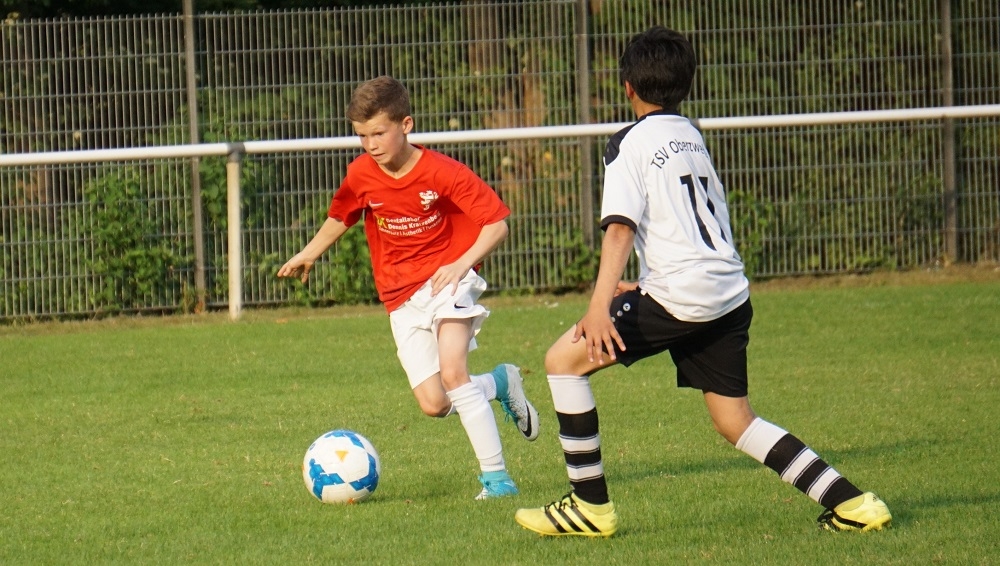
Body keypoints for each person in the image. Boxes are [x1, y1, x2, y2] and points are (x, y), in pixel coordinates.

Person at [514, 26, 892, 536]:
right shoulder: (691, 134)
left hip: (682, 297)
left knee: (562, 362)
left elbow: (621, 228)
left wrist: (599, 305)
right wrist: (645, 283)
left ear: (627, 86)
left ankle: (590, 509)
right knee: (735, 421)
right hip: (727, 292)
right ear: (686, 85)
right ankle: (855, 504)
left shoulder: (627, 143)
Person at [278, 75, 539, 500]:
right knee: (435, 403)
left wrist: (460, 264)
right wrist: (309, 253)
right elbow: (342, 215)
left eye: (378, 133)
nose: (370, 144)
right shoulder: (361, 173)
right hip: (400, 295)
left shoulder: (442, 171)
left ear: (406, 125)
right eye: (362, 136)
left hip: (448, 280)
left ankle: (497, 480)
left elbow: (496, 225)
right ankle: (499, 383)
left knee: (454, 373)